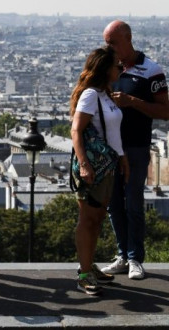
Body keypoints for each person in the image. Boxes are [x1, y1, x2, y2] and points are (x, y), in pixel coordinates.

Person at [102, 20, 169, 280]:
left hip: (136, 147)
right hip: (110, 149)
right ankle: (122, 255)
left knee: (134, 202)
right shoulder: (109, 69)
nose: (108, 47)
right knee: (114, 204)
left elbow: (165, 111)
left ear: (128, 38)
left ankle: (134, 258)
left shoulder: (151, 70)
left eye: (112, 42)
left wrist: (132, 102)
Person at [70, 47, 128, 295]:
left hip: (107, 165)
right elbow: (76, 130)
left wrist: (122, 158)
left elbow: (111, 132)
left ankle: (88, 265)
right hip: (93, 167)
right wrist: (83, 164)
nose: (121, 69)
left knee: (97, 219)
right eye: (117, 65)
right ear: (105, 69)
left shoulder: (105, 94)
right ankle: (83, 274)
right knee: (88, 219)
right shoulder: (91, 95)